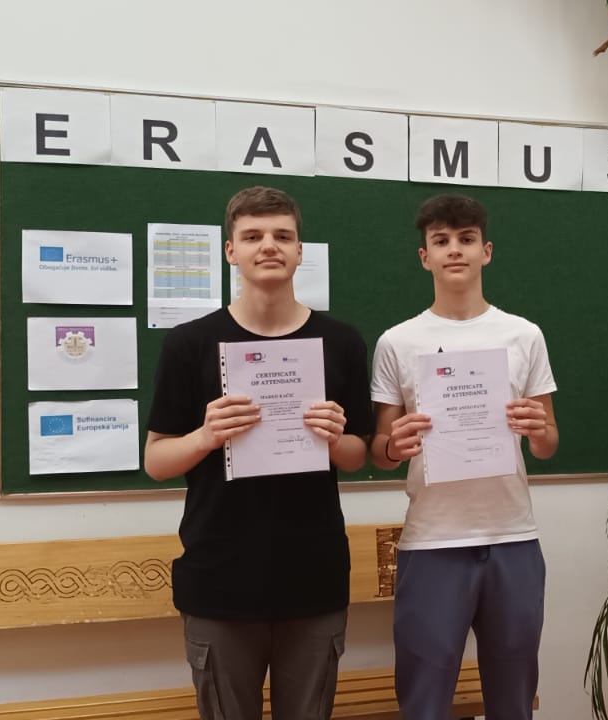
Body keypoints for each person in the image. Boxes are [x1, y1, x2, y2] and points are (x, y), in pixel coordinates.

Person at [144, 186, 374, 720]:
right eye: (252, 236)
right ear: (231, 251)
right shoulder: (189, 343)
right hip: (219, 582)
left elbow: (357, 455)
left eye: (282, 236)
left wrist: (333, 437)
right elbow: (156, 461)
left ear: (299, 251)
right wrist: (206, 436)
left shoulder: (341, 342)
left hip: (313, 579)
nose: (268, 245)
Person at [368, 193, 559, 720]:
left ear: (486, 251)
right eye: (442, 240)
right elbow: (380, 451)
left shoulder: (523, 335)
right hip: (433, 542)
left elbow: (548, 443)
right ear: (424, 256)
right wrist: (394, 444)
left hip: (512, 538)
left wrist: (538, 430)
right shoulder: (397, 342)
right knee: (425, 702)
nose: (455, 250)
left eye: (466, 239)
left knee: (514, 699)